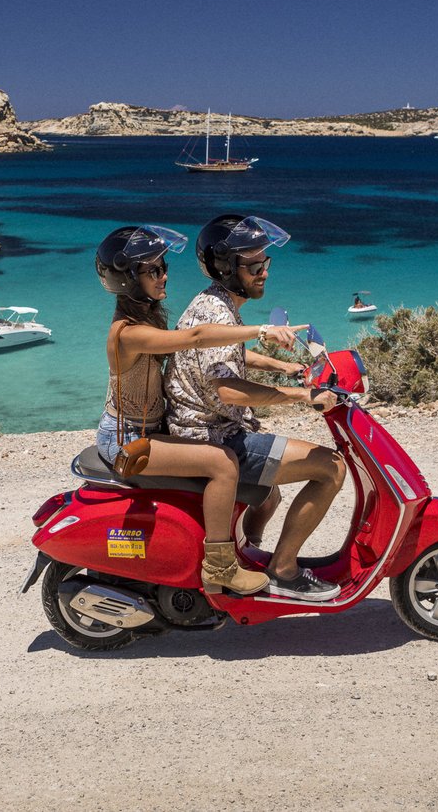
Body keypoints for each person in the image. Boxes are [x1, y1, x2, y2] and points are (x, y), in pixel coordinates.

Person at [93, 224, 305, 596]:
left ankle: (243, 548)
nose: (164, 277)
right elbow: (195, 337)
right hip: (125, 439)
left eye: (164, 268)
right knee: (222, 463)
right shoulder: (127, 333)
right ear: (127, 280)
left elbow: (199, 353)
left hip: (150, 428)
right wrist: (262, 330)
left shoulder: (150, 319)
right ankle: (220, 567)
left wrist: (280, 367)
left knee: (260, 485)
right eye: (154, 270)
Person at [166, 214, 347, 603]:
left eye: (266, 262)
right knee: (331, 468)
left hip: (207, 429)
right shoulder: (217, 312)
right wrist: (300, 396)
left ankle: (251, 551)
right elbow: (228, 390)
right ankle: (282, 570)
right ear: (226, 268)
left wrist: (282, 366)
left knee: (270, 495)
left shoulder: (215, 302)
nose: (264, 272)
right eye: (254, 266)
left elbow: (226, 356)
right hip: (214, 438)